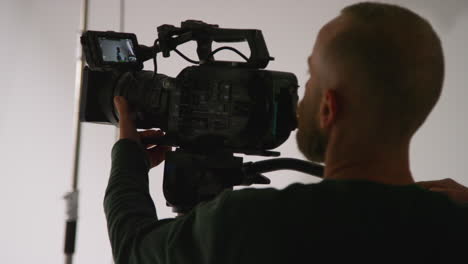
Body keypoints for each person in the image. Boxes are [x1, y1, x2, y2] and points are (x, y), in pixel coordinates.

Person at [104, 2, 468, 264]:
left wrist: (128, 158)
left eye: (310, 77)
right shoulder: (456, 224)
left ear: (328, 108)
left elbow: (132, 248)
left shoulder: (248, 224)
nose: (298, 95)